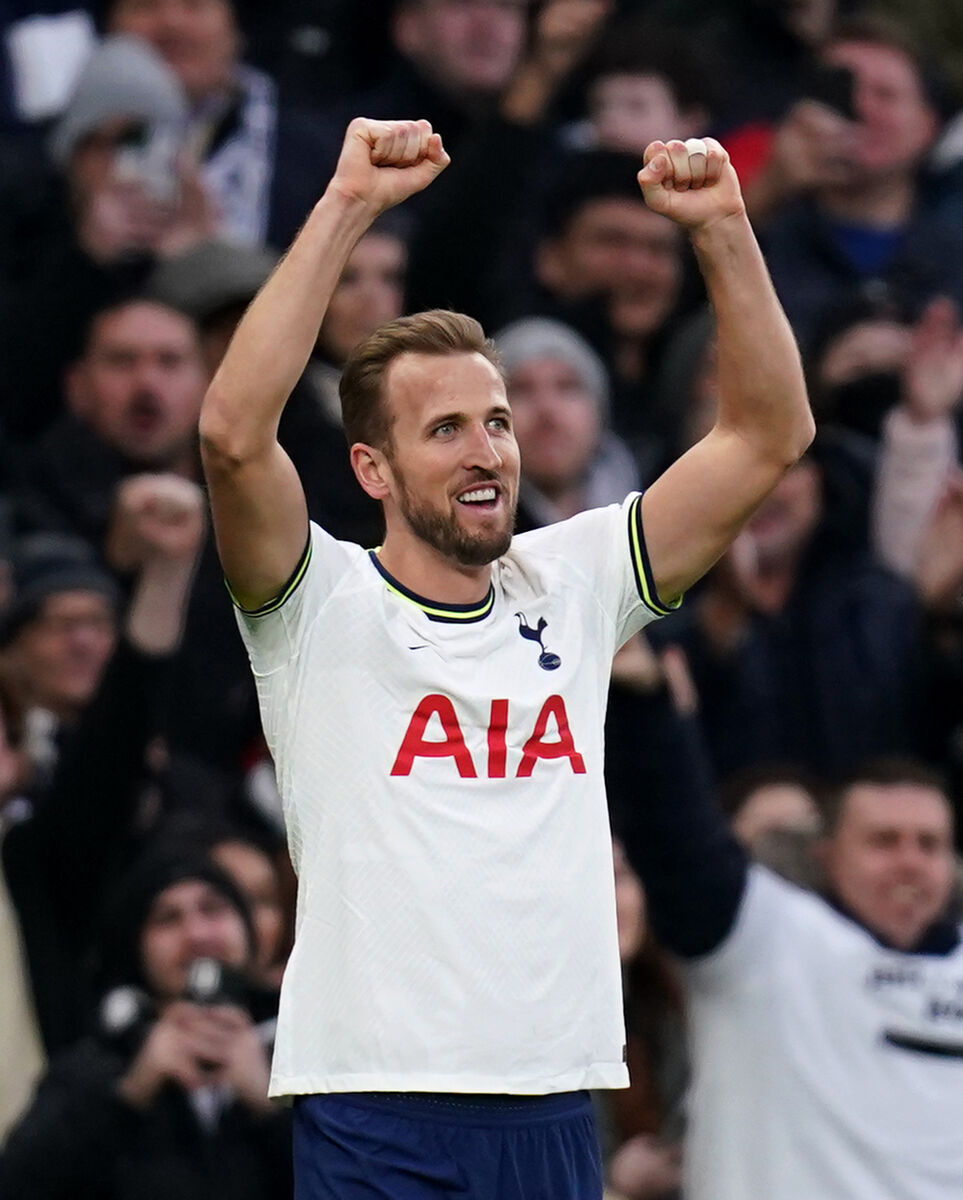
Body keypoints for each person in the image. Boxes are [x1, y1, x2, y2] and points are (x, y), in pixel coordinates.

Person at [198, 117, 812, 1198]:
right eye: (445, 431)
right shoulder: (315, 603)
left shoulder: (571, 583)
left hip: (555, 1103)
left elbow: (767, 434)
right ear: (371, 469)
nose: (488, 451)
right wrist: (346, 206)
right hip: (377, 1106)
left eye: (498, 421)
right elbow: (233, 436)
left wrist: (722, 228)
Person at [619, 727, 963, 1197]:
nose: (909, 862)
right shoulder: (762, 937)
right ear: (826, 853)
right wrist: (646, 701)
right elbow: (676, 837)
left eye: (929, 844)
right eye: (883, 841)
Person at [0, 850, 292, 1199]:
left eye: (213, 908)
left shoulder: (299, 1053)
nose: (197, 933)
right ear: (135, 947)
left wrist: (268, 1109)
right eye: (168, 918)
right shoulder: (97, 1065)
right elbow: (18, 1184)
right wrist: (128, 1094)